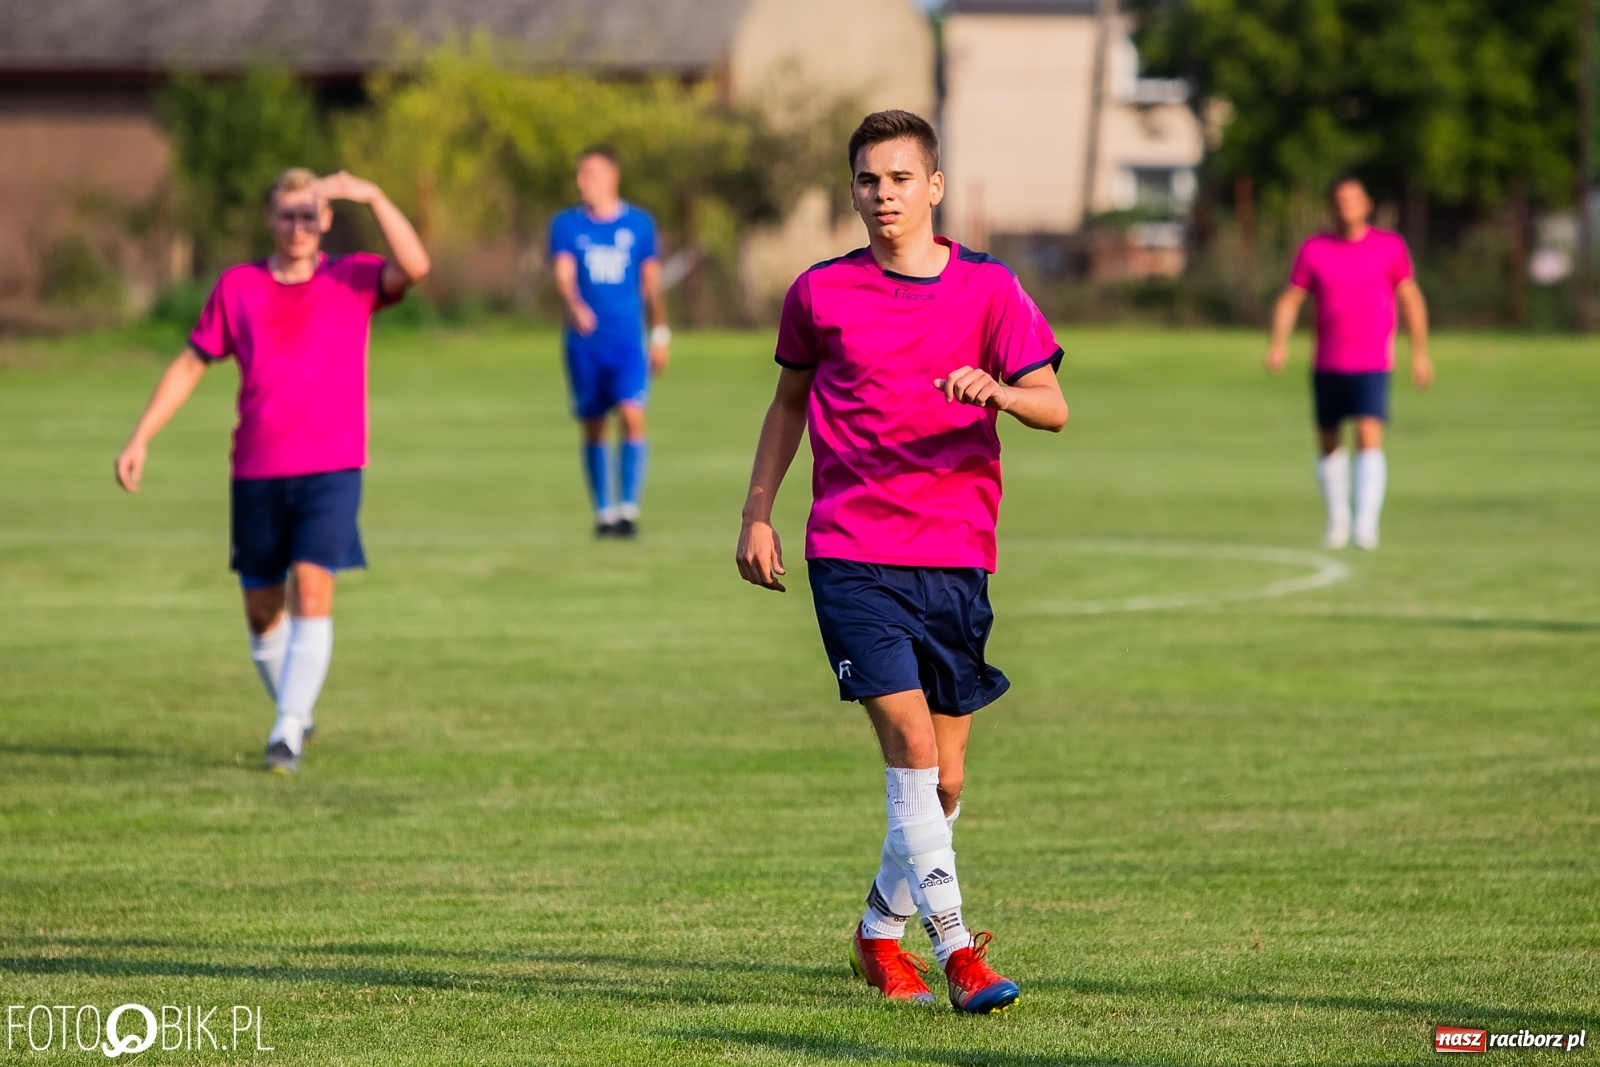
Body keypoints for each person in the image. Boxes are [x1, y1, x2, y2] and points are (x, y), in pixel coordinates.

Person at [735, 110, 1067, 1014]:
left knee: (945, 777)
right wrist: (756, 513)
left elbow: (1054, 405)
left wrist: (997, 387)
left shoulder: (992, 290)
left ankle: (878, 930)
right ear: (853, 190)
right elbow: (785, 405)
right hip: (851, 552)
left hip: (957, 557)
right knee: (912, 745)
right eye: (867, 180)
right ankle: (958, 950)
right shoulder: (818, 292)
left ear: (934, 187)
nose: (882, 195)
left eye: (898, 178)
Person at [114, 168, 429, 773]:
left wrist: (375, 194)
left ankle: (286, 729)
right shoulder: (239, 286)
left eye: (310, 215)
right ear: (270, 220)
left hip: (333, 466)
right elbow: (191, 364)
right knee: (263, 608)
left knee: (312, 587)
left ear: (327, 220)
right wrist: (141, 436)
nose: (299, 227)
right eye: (288, 215)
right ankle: (297, 708)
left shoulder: (354, 277)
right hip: (258, 468)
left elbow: (415, 267)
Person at [1267, 173, 1433, 550]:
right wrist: (1278, 343)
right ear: (1331, 207)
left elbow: (1410, 298)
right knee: (1328, 442)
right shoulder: (1315, 249)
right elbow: (1292, 298)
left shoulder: (1389, 247)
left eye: (1353, 200)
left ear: (1367, 204)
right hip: (1328, 361)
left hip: (1373, 360)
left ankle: (1366, 525)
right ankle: (1337, 519)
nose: (1347, 208)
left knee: (1368, 435)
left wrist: (1420, 353)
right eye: (1340, 201)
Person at [548, 145, 671, 538]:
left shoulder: (639, 225)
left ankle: (629, 509)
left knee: (633, 416)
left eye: (591, 174)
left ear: (612, 177)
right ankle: (604, 512)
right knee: (594, 425)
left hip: (627, 342)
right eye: (580, 175)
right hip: (585, 345)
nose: (583, 182)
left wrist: (660, 333)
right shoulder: (567, 225)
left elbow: (651, 287)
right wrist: (574, 306)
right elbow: (563, 275)